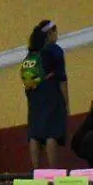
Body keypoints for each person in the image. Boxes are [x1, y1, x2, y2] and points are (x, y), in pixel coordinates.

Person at [23, 19, 68, 169]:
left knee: (35, 133)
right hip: (51, 93)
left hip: (34, 95)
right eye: (55, 32)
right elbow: (62, 78)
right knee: (51, 132)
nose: (57, 36)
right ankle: (53, 170)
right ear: (50, 33)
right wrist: (65, 102)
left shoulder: (31, 53)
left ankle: (36, 170)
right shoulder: (54, 50)